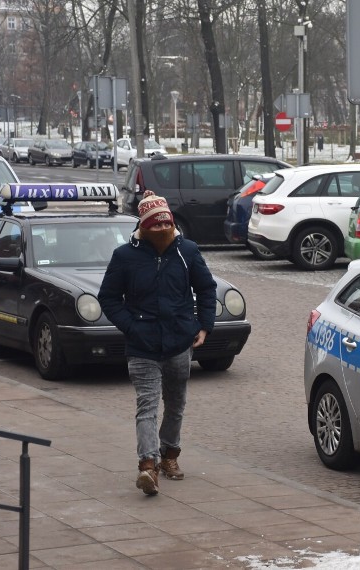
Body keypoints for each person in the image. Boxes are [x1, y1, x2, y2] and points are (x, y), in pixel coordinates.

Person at [98, 191, 217, 496]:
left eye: (167, 225)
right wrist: (130, 327)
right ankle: (147, 465)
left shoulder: (187, 251)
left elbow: (206, 289)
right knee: (147, 405)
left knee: (176, 404)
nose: (163, 231)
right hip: (142, 345)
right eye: (156, 226)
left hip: (180, 342)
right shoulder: (125, 256)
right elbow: (109, 298)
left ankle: (170, 455)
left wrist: (204, 325)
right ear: (145, 227)